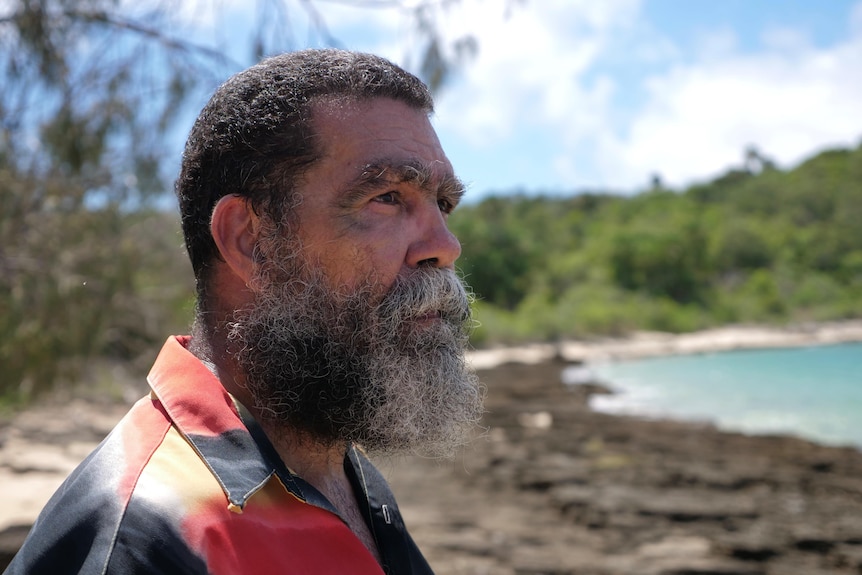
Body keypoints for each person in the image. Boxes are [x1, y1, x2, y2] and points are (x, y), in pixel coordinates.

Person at [6, 49, 484, 575]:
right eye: (388, 197)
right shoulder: (144, 535)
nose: (445, 245)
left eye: (443, 204)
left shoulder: (343, 476)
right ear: (250, 239)